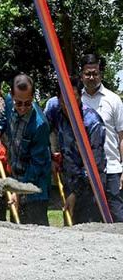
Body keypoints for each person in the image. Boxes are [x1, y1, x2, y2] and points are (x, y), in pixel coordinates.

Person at [45, 76, 106, 224]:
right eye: (64, 100)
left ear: (80, 97)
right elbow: (42, 132)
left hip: (90, 189)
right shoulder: (55, 111)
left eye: (74, 99)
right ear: (58, 99)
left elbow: (95, 166)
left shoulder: (92, 122)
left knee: (88, 232)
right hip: (67, 182)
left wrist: (75, 193)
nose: (69, 105)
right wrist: (51, 158)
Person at [0, 74, 51, 225]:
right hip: (16, 177)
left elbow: (37, 165)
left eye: (27, 103)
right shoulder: (9, 104)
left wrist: (19, 190)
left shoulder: (40, 125)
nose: (22, 108)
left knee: (36, 232)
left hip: (35, 189)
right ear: (11, 95)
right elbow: (3, 123)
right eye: (19, 103)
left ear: (33, 96)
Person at [78, 53, 123, 222]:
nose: (91, 77)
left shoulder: (113, 100)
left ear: (100, 74)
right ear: (82, 75)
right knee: (88, 221)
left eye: (95, 73)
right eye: (87, 73)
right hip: (85, 172)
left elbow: (121, 136)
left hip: (112, 170)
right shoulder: (76, 100)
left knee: (118, 219)